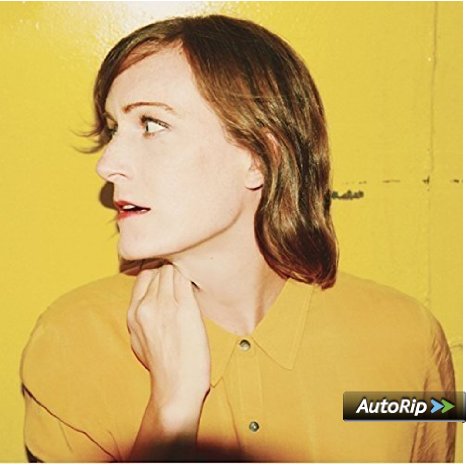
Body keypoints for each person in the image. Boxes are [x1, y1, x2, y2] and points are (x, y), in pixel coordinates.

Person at [21, 14, 456, 462]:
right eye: (114, 129)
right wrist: (171, 413)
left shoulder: (408, 337)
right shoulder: (71, 340)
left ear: (260, 157)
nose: (108, 164)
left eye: (151, 124)